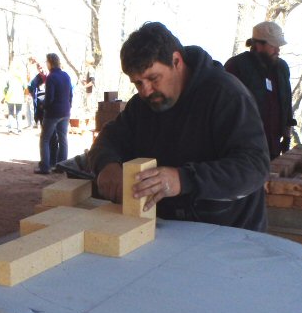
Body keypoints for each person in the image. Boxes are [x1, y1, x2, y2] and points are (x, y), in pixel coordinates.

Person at [87, 22, 270, 231]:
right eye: (138, 83)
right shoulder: (142, 105)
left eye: (153, 78)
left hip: (230, 232)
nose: (146, 91)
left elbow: (255, 167)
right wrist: (106, 165)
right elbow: (109, 139)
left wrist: (182, 179)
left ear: (176, 61)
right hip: (172, 229)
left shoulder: (227, 95)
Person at [225, 21, 295, 159]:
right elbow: (226, 110)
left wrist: (286, 138)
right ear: (258, 45)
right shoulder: (236, 67)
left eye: (278, 46)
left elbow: (287, 103)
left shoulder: (281, 68)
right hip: (244, 151)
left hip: (273, 148)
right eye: (273, 46)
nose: (277, 50)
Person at [35, 53, 72, 174]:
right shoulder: (66, 75)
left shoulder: (51, 77)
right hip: (65, 111)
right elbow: (70, 94)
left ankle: (45, 167)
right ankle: (62, 166)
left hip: (53, 113)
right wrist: (68, 106)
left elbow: (49, 98)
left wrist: (42, 105)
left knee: (45, 139)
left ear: (50, 63)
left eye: (47, 62)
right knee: (63, 139)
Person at [3, 65, 26, 134]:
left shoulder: (9, 77)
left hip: (10, 97)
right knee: (19, 113)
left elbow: (5, 88)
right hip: (19, 97)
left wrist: (5, 95)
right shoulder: (21, 77)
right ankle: (19, 130)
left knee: (10, 113)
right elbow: (25, 86)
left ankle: (10, 128)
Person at [28, 58, 46, 129]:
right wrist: (32, 94)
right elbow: (30, 86)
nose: (41, 70)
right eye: (39, 69)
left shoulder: (50, 76)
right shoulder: (36, 79)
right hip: (40, 101)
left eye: (42, 68)